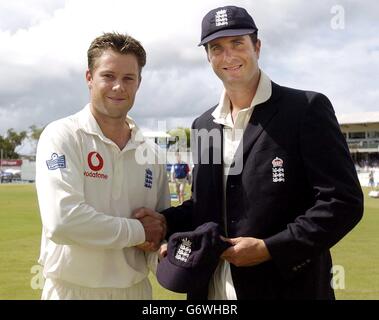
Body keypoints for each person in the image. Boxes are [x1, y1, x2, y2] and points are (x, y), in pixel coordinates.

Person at [135, 6, 364, 299]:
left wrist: (271, 248)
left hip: (287, 290)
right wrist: (165, 222)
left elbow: (342, 202)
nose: (228, 56)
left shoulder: (306, 109)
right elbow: (205, 204)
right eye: (216, 48)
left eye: (237, 43)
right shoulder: (204, 124)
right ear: (208, 57)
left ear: (257, 46)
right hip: (210, 290)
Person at [35, 32, 169, 300]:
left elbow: (159, 228)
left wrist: (166, 251)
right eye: (108, 76)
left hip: (136, 292)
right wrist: (140, 231)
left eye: (128, 78)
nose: (118, 86)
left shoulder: (152, 154)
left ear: (139, 83)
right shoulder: (62, 135)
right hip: (72, 291)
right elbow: (63, 222)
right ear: (89, 78)